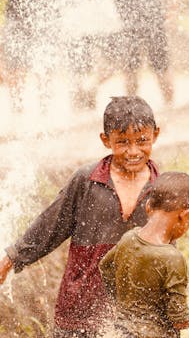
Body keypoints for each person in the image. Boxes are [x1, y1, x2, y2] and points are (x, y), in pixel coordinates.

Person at [0, 96, 160, 338]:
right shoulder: (87, 181)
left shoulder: (162, 188)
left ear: (155, 135)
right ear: (106, 140)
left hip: (135, 314)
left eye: (141, 141)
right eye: (123, 142)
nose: (133, 151)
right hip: (80, 310)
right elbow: (50, 225)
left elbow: (168, 249)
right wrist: (11, 258)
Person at [99, 172, 189, 338]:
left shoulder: (128, 238)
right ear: (186, 215)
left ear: (148, 207)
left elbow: (105, 267)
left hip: (120, 331)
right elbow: (180, 319)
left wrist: (124, 303)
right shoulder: (172, 258)